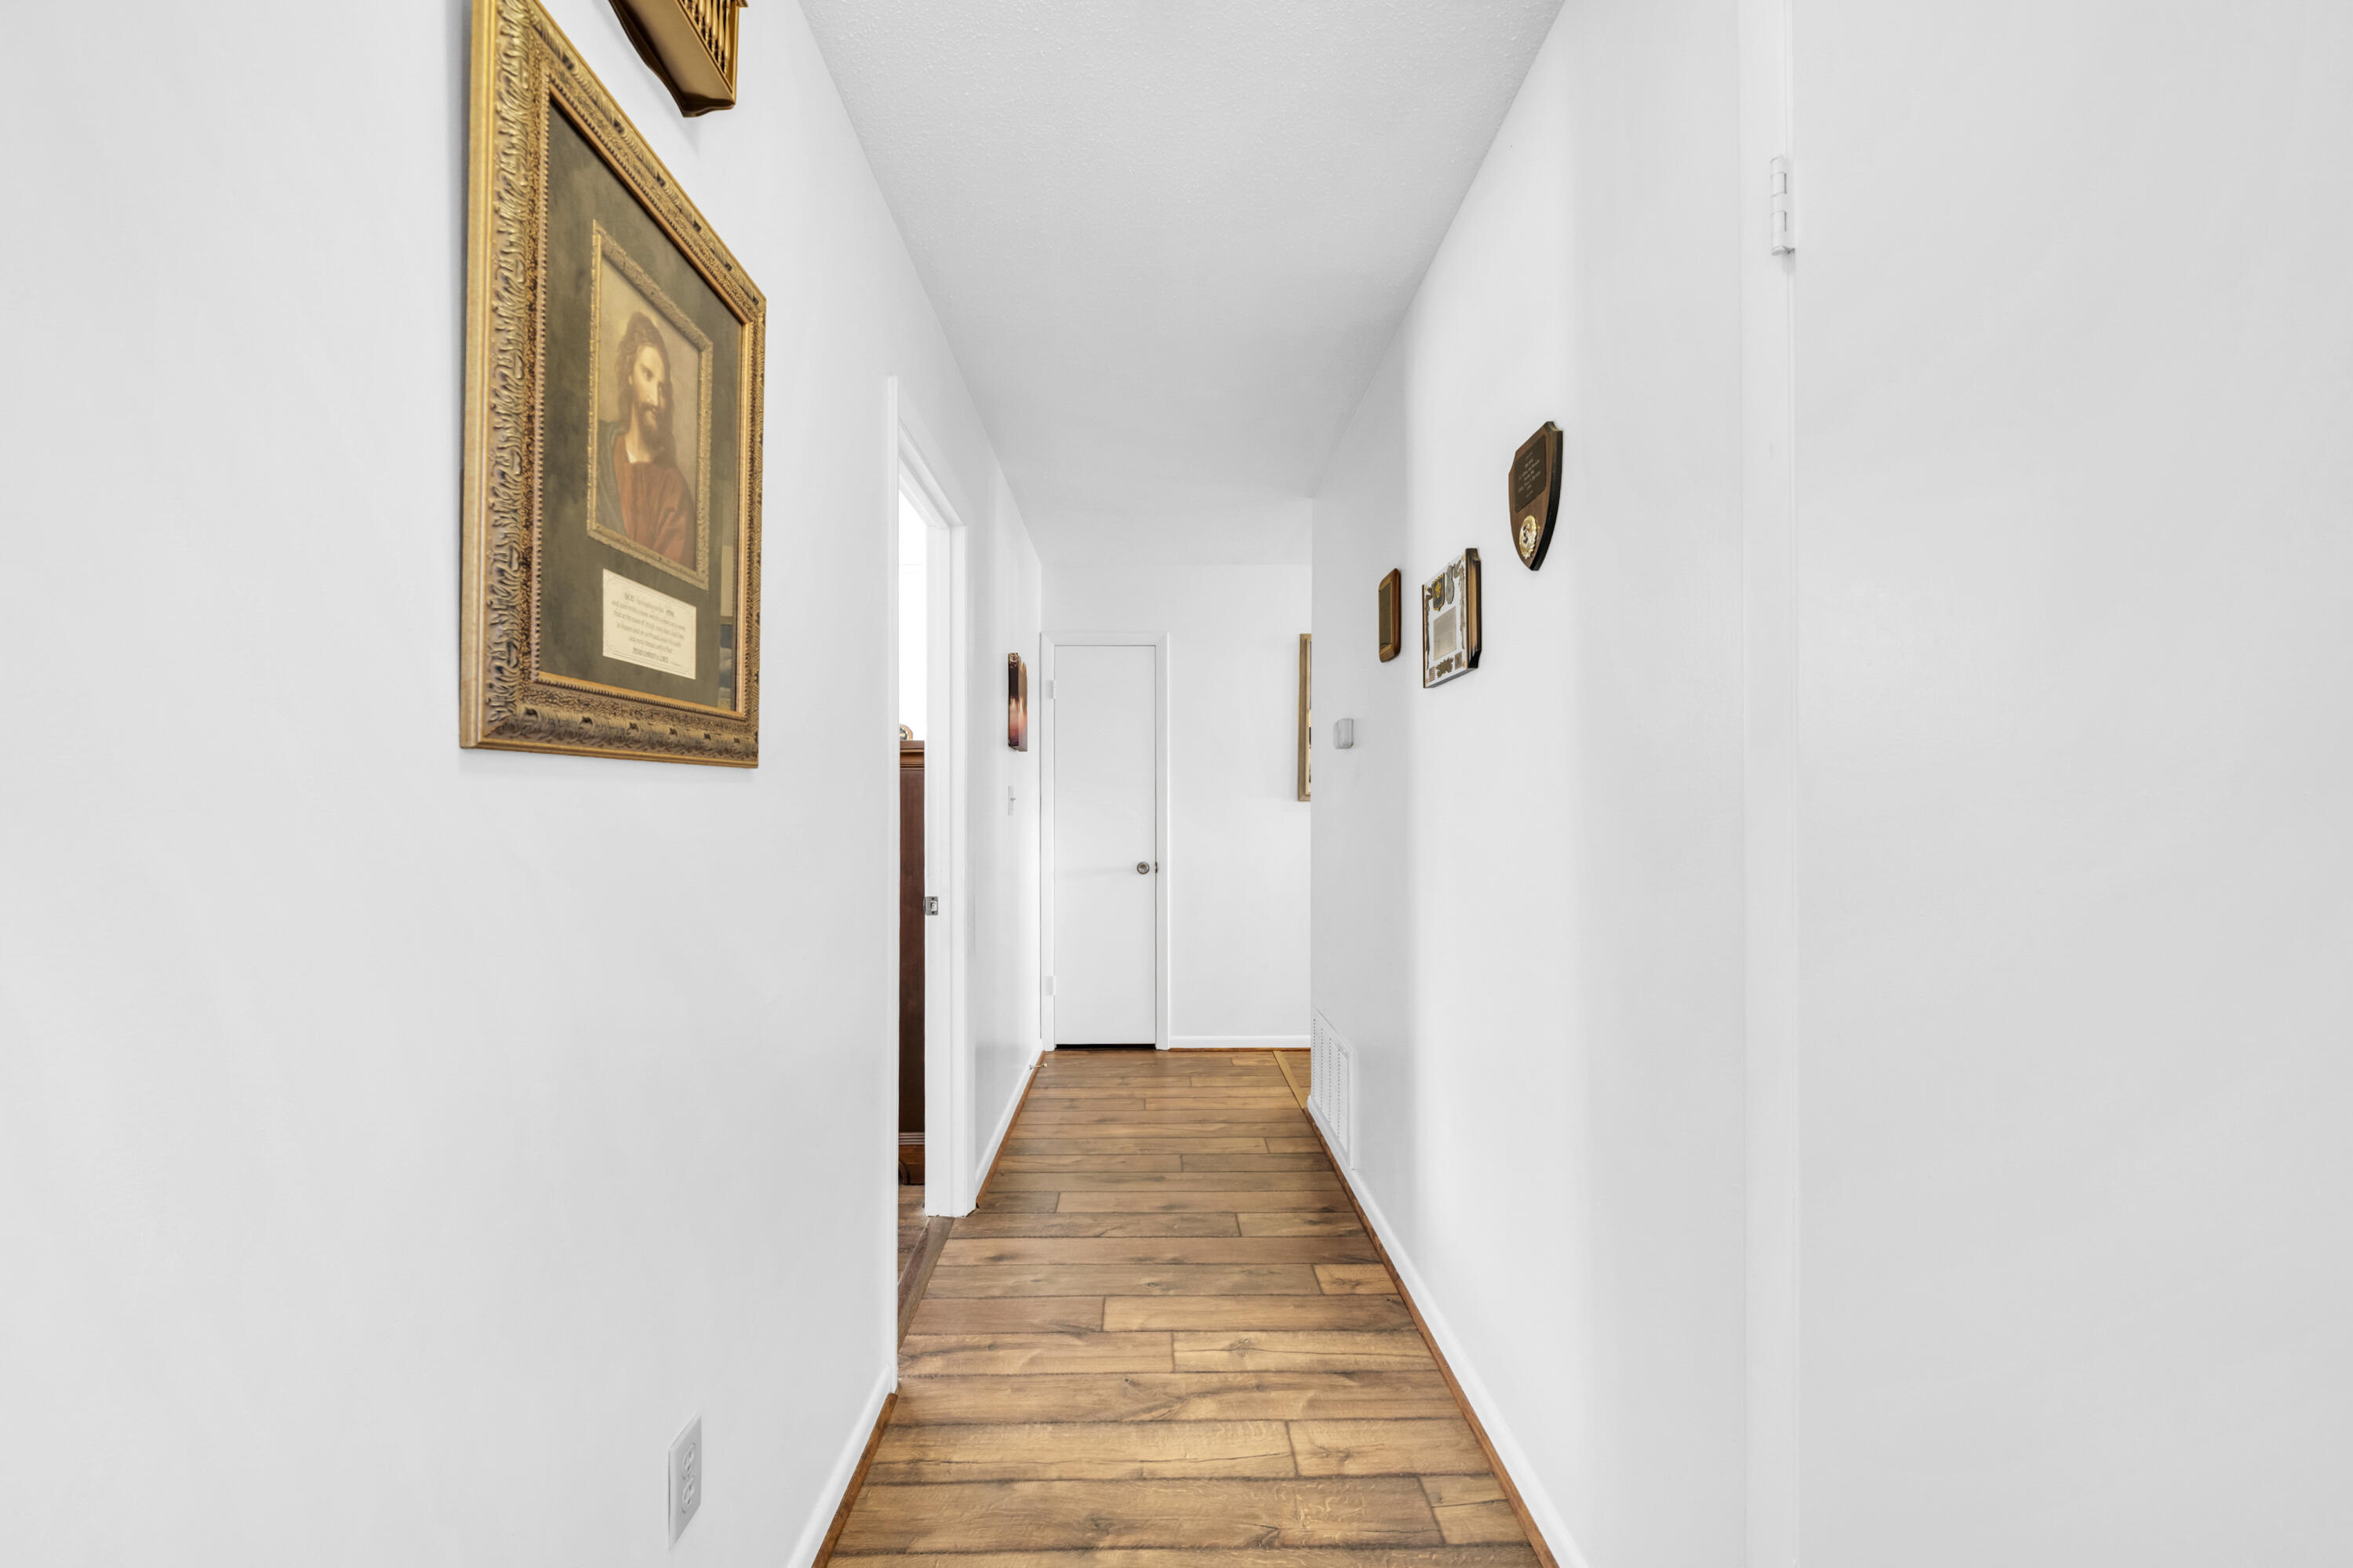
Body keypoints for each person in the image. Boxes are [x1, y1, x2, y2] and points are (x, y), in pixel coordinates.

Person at [596, 311, 696, 568]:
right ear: (630, 375)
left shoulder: (674, 490)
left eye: (662, 387)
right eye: (648, 375)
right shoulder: (598, 449)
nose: (656, 397)